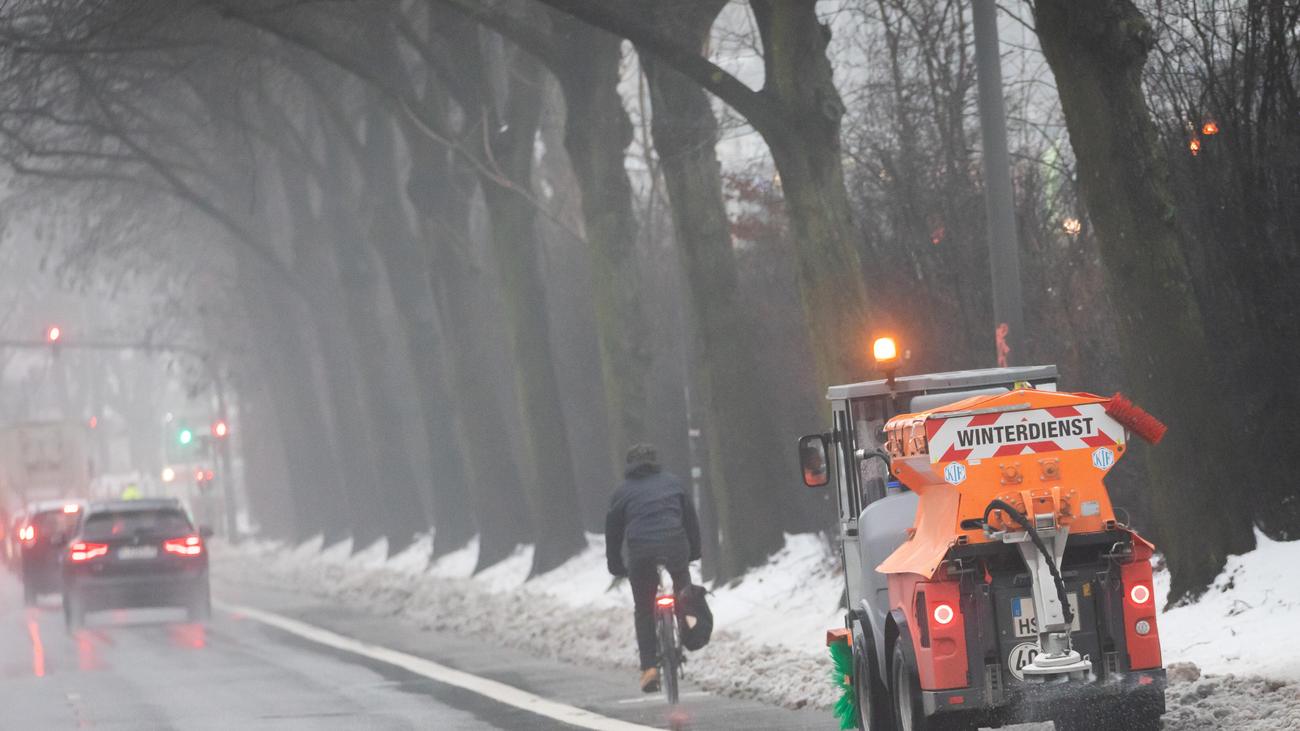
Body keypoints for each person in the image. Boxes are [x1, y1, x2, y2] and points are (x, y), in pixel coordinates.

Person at [605, 443, 701, 693]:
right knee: (684, 592)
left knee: (645, 608)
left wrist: (616, 565)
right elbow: (690, 519)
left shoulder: (622, 492)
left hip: (641, 552)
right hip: (675, 544)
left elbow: (613, 533)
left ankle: (649, 668)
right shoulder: (673, 483)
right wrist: (695, 551)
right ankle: (689, 629)